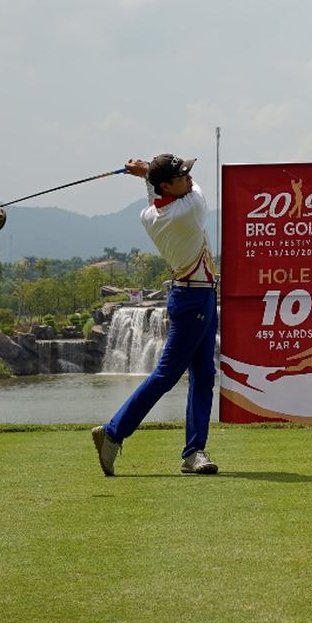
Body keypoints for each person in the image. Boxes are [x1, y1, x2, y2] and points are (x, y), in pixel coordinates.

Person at [92, 153, 220, 476]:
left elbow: (156, 196)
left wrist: (146, 176)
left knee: (204, 374)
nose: (189, 178)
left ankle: (194, 452)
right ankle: (113, 432)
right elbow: (187, 191)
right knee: (167, 374)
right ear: (166, 186)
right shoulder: (190, 208)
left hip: (198, 294)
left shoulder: (150, 214)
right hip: (193, 299)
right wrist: (146, 172)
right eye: (182, 176)